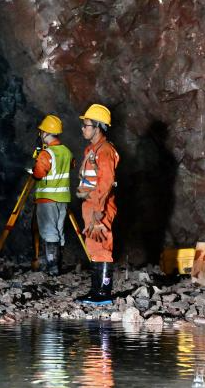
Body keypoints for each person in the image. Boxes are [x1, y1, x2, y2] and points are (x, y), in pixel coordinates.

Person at [76, 103, 119, 304]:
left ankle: (103, 293)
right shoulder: (92, 149)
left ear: (98, 127)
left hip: (99, 206)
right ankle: (96, 290)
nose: (83, 128)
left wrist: (99, 210)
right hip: (91, 204)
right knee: (93, 246)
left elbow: (107, 180)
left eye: (86, 125)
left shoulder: (105, 150)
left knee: (101, 244)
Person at [28, 114, 72, 276]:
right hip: (63, 199)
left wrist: (34, 169)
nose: (40, 135)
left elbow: (39, 173)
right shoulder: (66, 152)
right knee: (59, 231)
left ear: (46, 133)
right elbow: (71, 166)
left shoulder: (47, 154)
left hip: (47, 199)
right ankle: (57, 266)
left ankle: (52, 268)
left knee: (49, 231)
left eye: (41, 132)